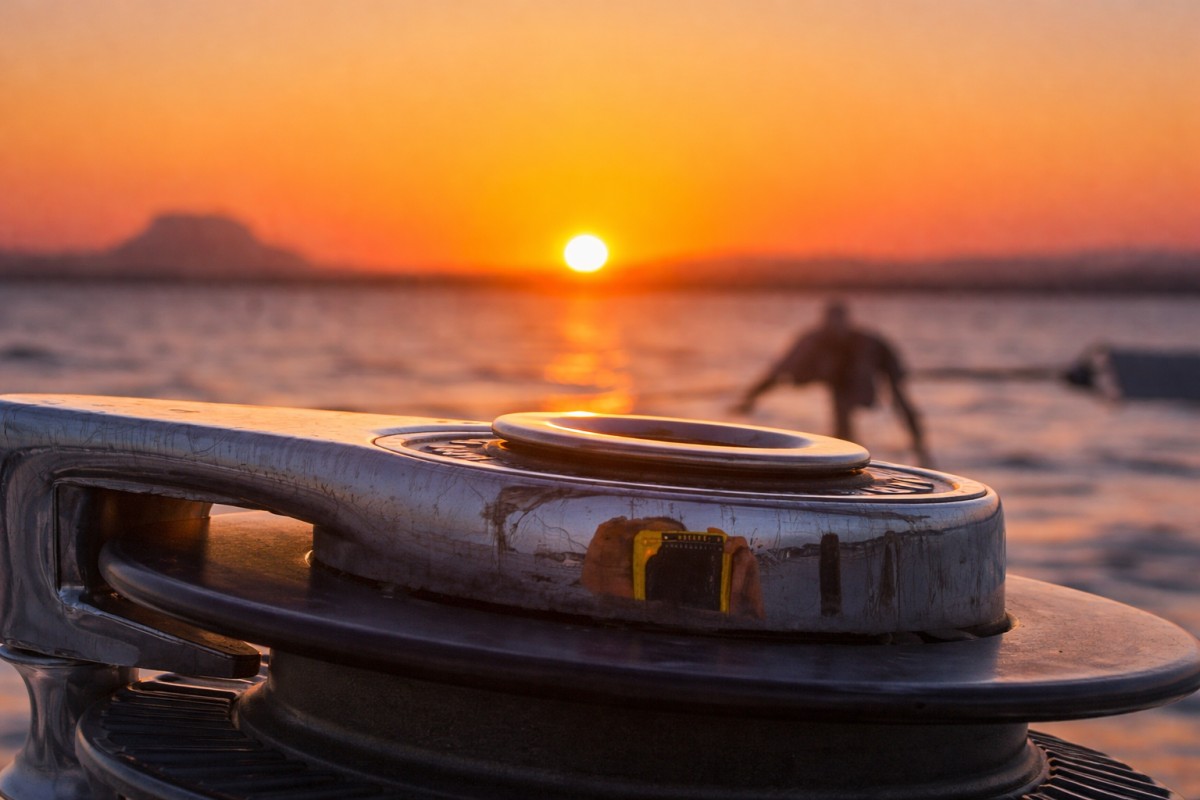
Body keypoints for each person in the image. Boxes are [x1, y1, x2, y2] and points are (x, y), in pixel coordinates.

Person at [734, 300, 931, 466]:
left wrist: (919, 444)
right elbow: (777, 372)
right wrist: (751, 399)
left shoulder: (870, 343)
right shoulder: (811, 341)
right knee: (842, 419)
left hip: (860, 384)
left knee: (850, 414)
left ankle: (858, 460)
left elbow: (900, 395)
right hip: (834, 382)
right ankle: (846, 461)